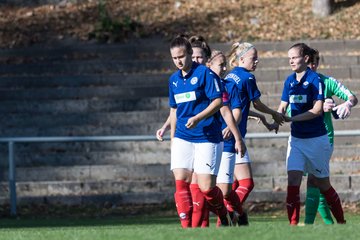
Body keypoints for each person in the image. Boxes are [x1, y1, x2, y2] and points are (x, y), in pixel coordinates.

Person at [275, 42, 346, 225]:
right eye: (289, 58)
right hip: (296, 140)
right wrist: (274, 119)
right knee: (293, 180)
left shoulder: (315, 80)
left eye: (295, 57)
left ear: (306, 59)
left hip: (316, 140)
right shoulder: (289, 81)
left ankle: (341, 223)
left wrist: (292, 119)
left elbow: (317, 110)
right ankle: (293, 226)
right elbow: (282, 107)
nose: (291, 61)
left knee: (323, 185)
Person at [167, 35, 230, 228]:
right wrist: (172, 138)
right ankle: (187, 230)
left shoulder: (204, 73)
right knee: (181, 182)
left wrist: (198, 118)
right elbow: (174, 109)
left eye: (182, 56)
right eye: (174, 58)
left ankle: (224, 214)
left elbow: (218, 101)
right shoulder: (173, 80)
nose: (179, 61)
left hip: (207, 136)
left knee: (206, 188)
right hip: (183, 137)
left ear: (188, 54)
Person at [224, 42, 285, 225]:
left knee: (233, 185)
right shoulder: (247, 78)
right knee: (246, 184)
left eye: (257, 57)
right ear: (241, 59)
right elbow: (255, 103)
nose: (257, 61)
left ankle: (232, 218)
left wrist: (262, 118)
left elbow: (240, 107)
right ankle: (228, 214)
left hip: (224, 133)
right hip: (235, 138)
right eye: (253, 58)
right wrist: (273, 113)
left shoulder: (230, 76)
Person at [304, 48, 357, 225]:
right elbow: (289, 110)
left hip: (324, 137)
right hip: (303, 137)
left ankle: (309, 224)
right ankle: (331, 224)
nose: (312, 65)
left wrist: (348, 104)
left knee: (314, 179)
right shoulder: (295, 84)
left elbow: (353, 97)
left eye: (315, 62)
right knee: (318, 181)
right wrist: (316, 108)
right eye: (309, 61)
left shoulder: (327, 82)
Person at [206, 50, 247, 226]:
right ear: (209, 65)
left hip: (227, 141)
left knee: (224, 190)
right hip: (206, 140)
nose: (224, 68)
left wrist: (232, 131)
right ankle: (228, 217)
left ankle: (237, 215)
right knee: (206, 189)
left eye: (225, 64)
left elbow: (235, 110)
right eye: (220, 65)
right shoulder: (202, 86)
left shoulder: (230, 85)